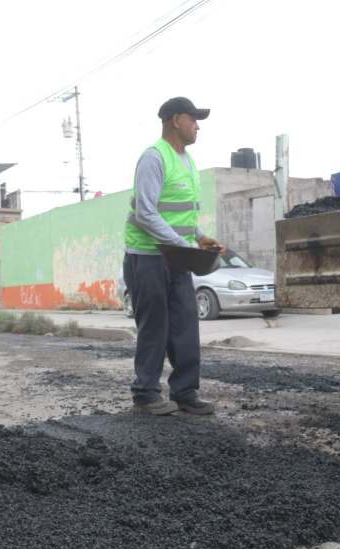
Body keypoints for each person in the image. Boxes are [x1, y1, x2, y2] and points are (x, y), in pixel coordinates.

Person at [123, 96, 225, 416]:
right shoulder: (154, 158)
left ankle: (185, 392)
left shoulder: (187, 162)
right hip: (147, 256)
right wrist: (182, 244)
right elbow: (145, 213)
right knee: (155, 326)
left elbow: (181, 212)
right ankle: (145, 394)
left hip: (176, 256)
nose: (198, 127)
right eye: (193, 119)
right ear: (175, 120)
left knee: (184, 324)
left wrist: (198, 236)